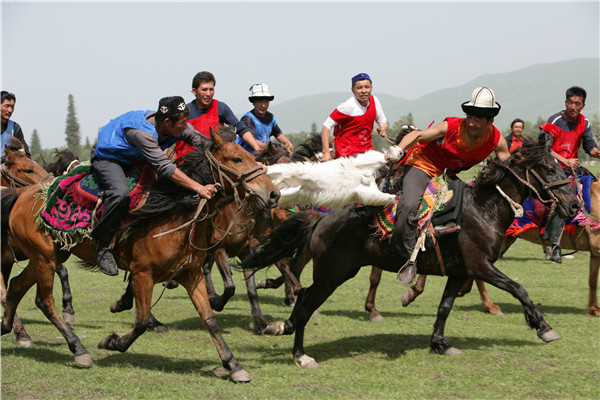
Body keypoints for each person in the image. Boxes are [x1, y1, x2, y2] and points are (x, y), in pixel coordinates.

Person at [386, 87, 510, 285]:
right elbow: (418, 135)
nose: (472, 122)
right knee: (409, 205)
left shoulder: (496, 140)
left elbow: (508, 167)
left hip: (447, 175)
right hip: (423, 165)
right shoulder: (451, 126)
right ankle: (407, 258)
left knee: (471, 212)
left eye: (479, 118)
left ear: (490, 121)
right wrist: (397, 149)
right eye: (470, 116)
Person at [91, 96, 218, 276]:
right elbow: (165, 167)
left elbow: (204, 143)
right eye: (182, 123)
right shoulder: (142, 134)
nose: (185, 126)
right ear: (167, 122)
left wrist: (228, 151)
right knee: (120, 194)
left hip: (136, 158)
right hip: (109, 159)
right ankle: (102, 246)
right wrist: (198, 188)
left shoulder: (177, 125)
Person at [538, 86, 600, 263]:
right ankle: (555, 244)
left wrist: (597, 152)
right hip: (551, 168)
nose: (573, 106)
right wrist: (565, 161)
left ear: (583, 105)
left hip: (571, 169)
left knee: (592, 187)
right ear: (566, 103)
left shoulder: (584, 122)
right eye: (570, 102)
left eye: (577, 103)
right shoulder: (555, 120)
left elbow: (589, 147)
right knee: (564, 197)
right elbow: (543, 147)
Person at [173, 71, 251, 159]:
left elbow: (239, 127)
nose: (208, 94)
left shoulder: (221, 107)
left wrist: (256, 147)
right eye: (204, 90)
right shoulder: (185, 112)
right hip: (187, 162)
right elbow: (170, 135)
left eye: (211, 89)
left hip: (213, 161)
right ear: (194, 91)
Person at [321, 73, 388, 161]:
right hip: (347, 154)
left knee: (386, 167)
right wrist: (326, 152)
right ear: (353, 90)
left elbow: (382, 120)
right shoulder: (347, 106)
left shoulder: (374, 101)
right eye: (359, 88)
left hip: (367, 151)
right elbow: (326, 125)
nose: (364, 91)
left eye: (367, 87)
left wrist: (383, 128)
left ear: (371, 88)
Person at [237, 84, 294, 155]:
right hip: (248, 155)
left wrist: (288, 143)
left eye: (266, 102)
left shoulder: (271, 117)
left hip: (264, 154)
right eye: (260, 101)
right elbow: (253, 141)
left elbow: (278, 134)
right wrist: (271, 148)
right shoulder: (248, 118)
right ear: (254, 103)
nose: (263, 105)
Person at [1, 91, 31, 158]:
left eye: (12, 107)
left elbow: (26, 154)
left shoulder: (15, 128)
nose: (10, 110)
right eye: (7, 106)